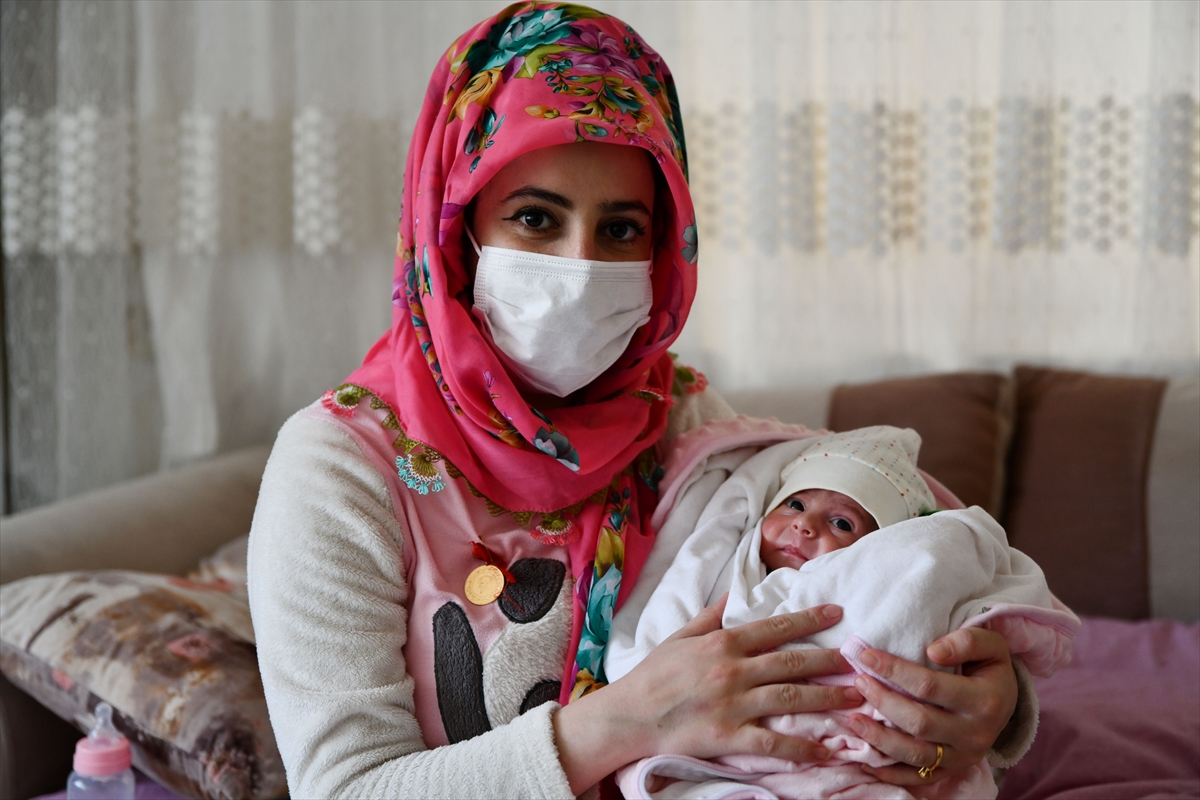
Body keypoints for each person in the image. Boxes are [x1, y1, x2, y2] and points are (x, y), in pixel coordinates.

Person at [247, 4, 1033, 798]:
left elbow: (880, 533)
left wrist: (985, 704)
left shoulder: (682, 418)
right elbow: (346, 788)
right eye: (535, 218)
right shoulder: (341, 469)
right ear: (452, 226)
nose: (580, 266)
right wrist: (630, 718)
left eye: (621, 231)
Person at [606, 427, 1079, 799]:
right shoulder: (727, 573)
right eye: (794, 503)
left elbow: (918, 624)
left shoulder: (862, 581)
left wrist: (1000, 695)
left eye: (840, 522)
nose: (804, 525)